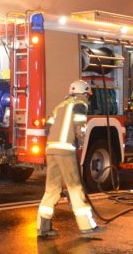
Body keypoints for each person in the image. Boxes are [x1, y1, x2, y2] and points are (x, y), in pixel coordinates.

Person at [37, 80, 103, 237]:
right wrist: (79, 143)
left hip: (51, 149)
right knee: (75, 187)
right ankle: (87, 226)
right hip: (66, 150)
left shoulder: (60, 106)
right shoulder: (80, 104)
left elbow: (47, 128)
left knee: (52, 189)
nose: (88, 98)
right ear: (85, 93)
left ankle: (43, 227)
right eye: (88, 95)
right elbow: (80, 127)